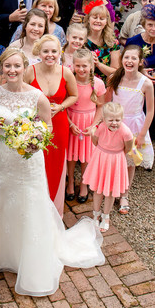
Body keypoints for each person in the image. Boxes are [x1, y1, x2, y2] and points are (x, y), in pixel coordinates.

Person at [0, 47, 105, 297]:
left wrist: (35, 140)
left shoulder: (37, 97)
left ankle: (30, 256)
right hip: (2, 160)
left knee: (28, 206)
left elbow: (47, 128)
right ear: (1, 68)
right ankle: (0, 252)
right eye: (8, 66)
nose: (12, 71)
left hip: (27, 162)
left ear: (25, 68)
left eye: (17, 66)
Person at [25, 34, 78, 215]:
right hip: (35, 124)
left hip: (59, 125)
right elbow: (22, 96)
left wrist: (62, 106)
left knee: (56, 165)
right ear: (39, 52)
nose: (50, 55)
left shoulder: (66, 72)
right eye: (45, 51)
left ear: (59, 53)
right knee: (35, 163)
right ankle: (35, 208)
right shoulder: (30, 71)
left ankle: (55, 210)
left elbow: (74, 96)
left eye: (54, 51)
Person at [106, 44, 155, 214]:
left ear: (140, 61)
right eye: (126, 57)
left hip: (134, 125)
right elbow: (107, 102)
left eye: (134, 58)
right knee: (113, 157)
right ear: (122, 59)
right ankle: (111, 189)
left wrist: (142, 134)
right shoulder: (115, 78)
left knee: (130, 161)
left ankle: (125, 194)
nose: (129, 61)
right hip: (115, 124)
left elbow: (150, 111)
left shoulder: (146, 83)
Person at [83, 102, 134, 232]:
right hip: (101, 158)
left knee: (110, 190)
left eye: (118, 120)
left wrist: (116, 154)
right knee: (98, 189)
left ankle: (106, 216)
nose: (114, 123)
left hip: (115, 160)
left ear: (122, 118)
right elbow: (95, 140)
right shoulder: (100, 128)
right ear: (104, 119)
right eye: (110, 120)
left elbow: (128, 147)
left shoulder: (125, 132)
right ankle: (96, 214)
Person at [125, 4, 155, 141]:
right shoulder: (133, 41)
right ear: (144, 24)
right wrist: (140, 71)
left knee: (153, 117)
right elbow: (126, 63)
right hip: (135, 85)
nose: (153, 29)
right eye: (150, 25)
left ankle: (147, 147)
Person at [65, 48, 104, 204]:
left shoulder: (98, 84)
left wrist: (94, 125)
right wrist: (70, 123)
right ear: (73, 65)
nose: (81, 69)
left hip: (88, 123)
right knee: (71, 155)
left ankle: (84, 184)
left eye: (84, 66)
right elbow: (64, 104)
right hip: (72, 121)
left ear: (91, 66)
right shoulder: (69, 81)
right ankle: (70, 183)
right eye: (78, 66)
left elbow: (100, 106)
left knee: (86, 156)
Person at [83, 1, 121, 82]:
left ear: (106, 21)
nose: (98, 21)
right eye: (95, 17)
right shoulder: (81, 40)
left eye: (101, 18)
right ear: (88, 19)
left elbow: (116, 72)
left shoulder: (113, 42)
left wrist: (98, 64)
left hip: (106, 86)